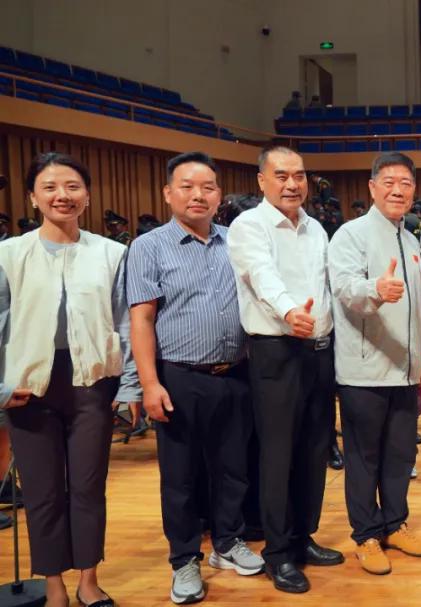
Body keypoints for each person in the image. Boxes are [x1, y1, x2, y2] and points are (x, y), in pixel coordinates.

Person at [0, 152, 141, 607]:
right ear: (32, 197)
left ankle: (88, 580)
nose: (62, 195)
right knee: (42, 493)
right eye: (50, 187)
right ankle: (55, 585)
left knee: (88, 487)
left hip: (91, 384)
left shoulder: (112, 253)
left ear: (87, 195)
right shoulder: (8, 254)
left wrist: (130, 385)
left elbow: (125, 323)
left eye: (72, 186)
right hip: (28, 388)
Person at [127, 152, 263, 604]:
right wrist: (149, 383)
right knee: (181, 477)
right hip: (180, 376)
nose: (198, 195)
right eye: (187, 186)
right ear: (168, 193)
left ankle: (227, 542)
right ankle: (184, 559)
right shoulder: (149, 247)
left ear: (219, 195)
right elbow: (142, 320)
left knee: (233, 469)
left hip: (236, 374)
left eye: (207, 187)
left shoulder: (235, 242)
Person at [227, 146, 343, 594]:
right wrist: (290, 310)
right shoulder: (248, 226)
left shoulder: (315, 228)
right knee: (278, 455)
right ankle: (277, 552)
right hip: (277, 350)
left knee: (314, 449)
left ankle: (301, 537)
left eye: (299, 175)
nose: (292, 184)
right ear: (262, 180)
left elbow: (329, 285)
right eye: (281, 175)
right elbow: (262, 276)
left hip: (319, 350)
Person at [328, 152, 421, 575]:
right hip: (364, 369)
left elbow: (419, 307)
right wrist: (376, 288)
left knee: (400, 455)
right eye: (388, 181)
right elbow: (345, 287)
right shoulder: (350, 235)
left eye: (405, 183)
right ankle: (366, 535)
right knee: (363, 457)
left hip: (405, 369)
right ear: (372, 187)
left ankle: (394, 523)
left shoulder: (412, 240)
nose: (397, 190)